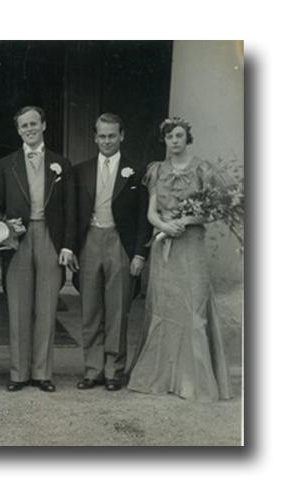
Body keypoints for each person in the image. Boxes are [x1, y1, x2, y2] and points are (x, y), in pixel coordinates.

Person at [127, 117, 231, 402]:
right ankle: (162, 377)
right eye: (169, 137)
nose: (174, 141)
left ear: (187, 138)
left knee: (192, 305)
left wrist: (184, 220)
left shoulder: (202, 169)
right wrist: (162, 226)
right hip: (164, 247)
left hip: (190, 245)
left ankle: (192, 381)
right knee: (164, 305)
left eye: (179, 136)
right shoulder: (156, 170)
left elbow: (215, 210)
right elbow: (151, 212)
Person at [0, 106, 76, 393]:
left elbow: (71, 210)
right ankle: (18, 374)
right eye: (24, 126)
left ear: (44, 125)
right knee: (19, 306)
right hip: (18, 240)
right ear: (19, 130)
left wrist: (68, 245)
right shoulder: (5, 165)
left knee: (47, 305)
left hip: (49, 236)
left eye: (34, 124)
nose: (29, 129)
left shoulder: (61, 164)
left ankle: (42, 373)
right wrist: (3, 225)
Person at [72, 113, 151, 392]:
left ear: (122, 136)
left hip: (120, 242)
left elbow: (144, 217)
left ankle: (114, 370)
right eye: (102, 136)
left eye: (112, 135)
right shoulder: (81, 170)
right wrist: (72, 248)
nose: (107, 141)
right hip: (90, 241)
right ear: (95, 137)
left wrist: (140, 253)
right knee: (90, 308)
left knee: (117, 308)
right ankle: (92, 370)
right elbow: (74, 214)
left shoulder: (136, 170)